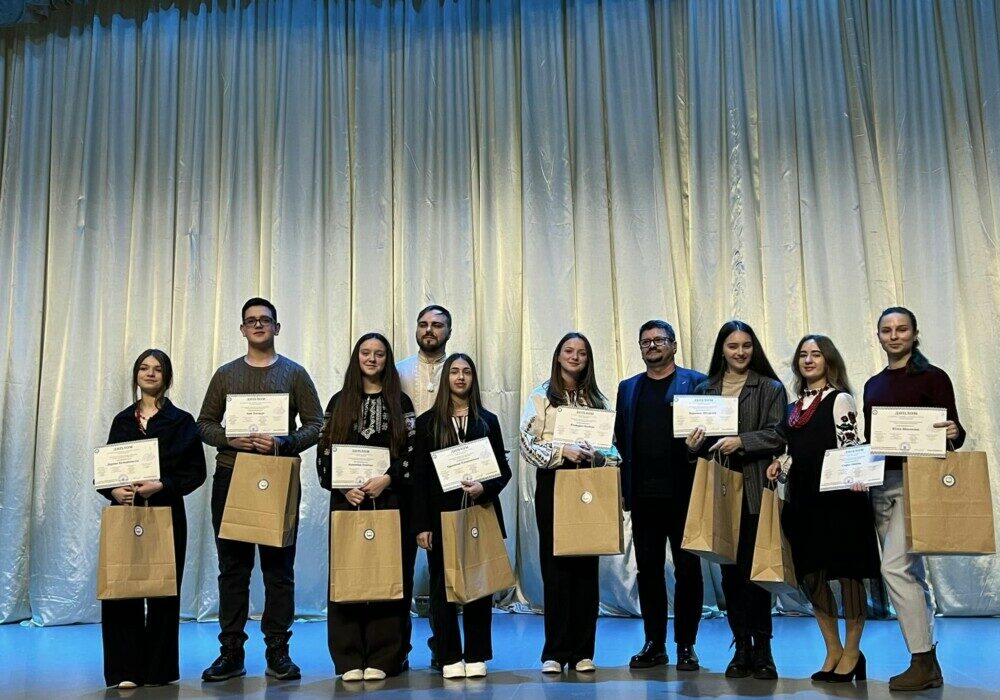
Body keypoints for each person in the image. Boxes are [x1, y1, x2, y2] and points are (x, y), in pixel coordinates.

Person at [197, 298, 323, 682]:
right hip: (231, 476)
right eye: (250, 320)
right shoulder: (225, 375)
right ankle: (231, 653)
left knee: (278, 570)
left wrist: (284, 443)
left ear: (276, 328)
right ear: (242, 329)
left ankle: (278, 652)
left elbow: (316, 424)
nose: (257, 325)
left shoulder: (295, 374)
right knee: (233, 570)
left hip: (277, 477)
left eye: (264, 320)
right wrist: (230, 439)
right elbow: (204, 424)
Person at [766, 335, 880, 683]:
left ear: (828, 360)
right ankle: (832, 649)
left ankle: (852, 652)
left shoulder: (839, 398)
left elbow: (850, 445)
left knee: (848, 575)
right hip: (803, 500)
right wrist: (780, 464)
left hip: (840, 499)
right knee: (811, 575)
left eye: (816, 354)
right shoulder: (793, 407)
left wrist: (858, 477)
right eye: (803, 354)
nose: (808, 360)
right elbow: (795, 450)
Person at [863, 307, 965, 692]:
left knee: (894, 568)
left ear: (914, 333)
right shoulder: (873, 384)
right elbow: (870, 439)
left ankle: (920, 658)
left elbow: (954, 433)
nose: (894, 336)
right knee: (911, 573)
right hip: (880, 483)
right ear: (878, 336)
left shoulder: (933, 377)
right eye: (887, 330)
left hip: (916, 483)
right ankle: (928, 663)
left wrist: (954, 431)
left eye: (901, 329)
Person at [98, 349, 206, 689]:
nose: (150, 373)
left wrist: (162, 485)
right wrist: (113, 491)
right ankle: (125, 670)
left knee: (163, 591)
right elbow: (104, 472)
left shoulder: (182, 421)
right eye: (144, 368)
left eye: (157, 369)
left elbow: (196, 473)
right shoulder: (122, 421)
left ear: (167, 377)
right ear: (136, 375)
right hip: (125, 512)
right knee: (122, 588)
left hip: (166, 514)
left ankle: (159, 670)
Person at [685, 320, 786, 680]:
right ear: (722, 350)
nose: (740, 352)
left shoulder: (770, 387)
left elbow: (778, 434)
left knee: (756, 573)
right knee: (730, 575)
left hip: (756, 490)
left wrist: (742, 441)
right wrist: (692, 446)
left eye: (746, 345)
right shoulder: (704, 389)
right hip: (720, 492)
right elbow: (694, 448)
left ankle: (763, 649)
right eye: (733, 346)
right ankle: (741, 646)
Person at [519, 332, 621, 675]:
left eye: (582, 352)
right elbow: (526, 443)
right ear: (558, 356)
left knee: (586, 569)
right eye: (568, 351)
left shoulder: (598, 400)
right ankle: (554, 652)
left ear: (588, 359)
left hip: (589, 483)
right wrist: (563, 451)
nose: (575, 357)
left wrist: (598, 454)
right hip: (555, 482)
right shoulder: (541, 396)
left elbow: (614, 448)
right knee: (556, 568)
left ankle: (582, 652)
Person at [317, 333, 416, 681]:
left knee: (388, 574)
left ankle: (385, 656)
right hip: (347, 502)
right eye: (365, 353)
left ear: (387, 360)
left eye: (379, 354)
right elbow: (324, 452)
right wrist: (343, 487)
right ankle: (348, 657)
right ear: (356, 357)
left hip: (390, 500)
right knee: (348, 573)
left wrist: (388, 479)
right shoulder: (338, 401)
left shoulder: (400, 402)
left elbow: (412, 451)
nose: (372, 359)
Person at [413, 353, 512, 679]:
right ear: (446, 379)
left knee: (480, 586)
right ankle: (448, 655)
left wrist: (485, 487)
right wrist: (422, 524)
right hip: (440, 517)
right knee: (442, 589)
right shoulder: (428, 423)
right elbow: (420, 479)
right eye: (454, 371)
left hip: (480, 513)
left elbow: (503, 470)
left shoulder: (488, 420)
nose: (460, 377)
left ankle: (476, 654)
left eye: (466, 371)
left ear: (473, 378)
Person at [614, 320, 706, 671]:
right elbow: (621, 440)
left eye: (659, 340)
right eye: (646, 342)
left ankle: (686, 645)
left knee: (688, 571)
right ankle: (654, 643)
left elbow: (712, 435)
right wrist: (623, 489)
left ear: (674, 345)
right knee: (648, 571)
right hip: (643, 496)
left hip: (686, 495)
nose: (652, 346)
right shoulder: (628, 388)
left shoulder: (697, 383)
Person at [395, 304, 452, 667]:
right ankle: (397, 648)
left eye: (437, 325)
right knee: (398, 566)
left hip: (444, 481)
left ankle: (442, 646)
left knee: (442, 570)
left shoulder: (458, 370)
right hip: (402, 479)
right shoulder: (398, 370)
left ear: (449, 332)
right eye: (424, 324)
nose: (429, 330)